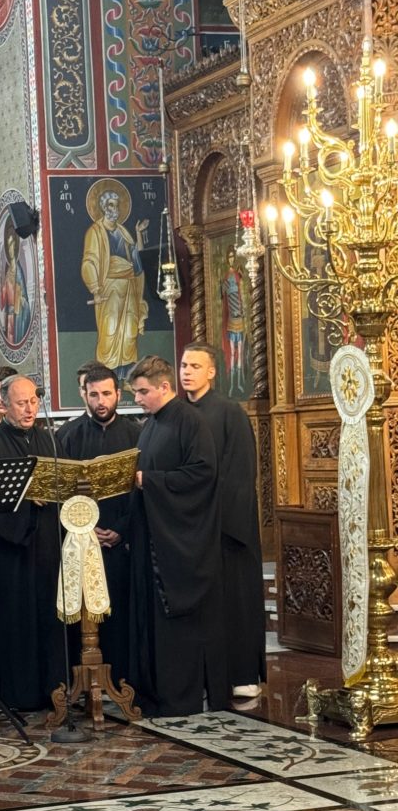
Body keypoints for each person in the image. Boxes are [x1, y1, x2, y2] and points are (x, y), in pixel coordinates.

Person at [128, 355, 228, 716]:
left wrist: (150, 481)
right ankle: (156, 693)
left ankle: (180, 697)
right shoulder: (151, 425)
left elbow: (202, 473)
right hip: (154, 536)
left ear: (164, 387)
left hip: (180, 544)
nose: (137, 398)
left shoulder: (189, 421)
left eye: (143, 391)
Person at [180, 342, 266, 698]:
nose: (187, 372)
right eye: (184, 366)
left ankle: (243, 674)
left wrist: (220, 524)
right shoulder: (180, 414)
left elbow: (240, 474)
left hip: (228, 531)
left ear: (212, 372)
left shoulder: (230, 413)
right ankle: (207, 677)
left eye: (195, 366)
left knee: (236, 603)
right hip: (191, 530)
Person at [0, 374, 65, 711]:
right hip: (12, 548)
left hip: (49, 543)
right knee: (16, 620)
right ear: (4, 404)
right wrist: (26, 498)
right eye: (21, 403)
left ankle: (55, 690)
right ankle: (20, 695)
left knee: (50, 616)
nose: (29, 409)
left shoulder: (50, 440)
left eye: (34, 401)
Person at [58, 365, 140, 682]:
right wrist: (85, 528)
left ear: (118, 394)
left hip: (122, 541)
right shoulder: (67, 435)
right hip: (80, 542)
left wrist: (121, 529)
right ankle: (85, 680)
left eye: (107, 393)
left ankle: (121, 679)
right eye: (94, 394)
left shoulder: (136, 434)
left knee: (122, 613)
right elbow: (61, 492)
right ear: (84, 395)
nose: (101, 401)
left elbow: (139, 491)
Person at [81, 189, 148, 381]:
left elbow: (136, 259)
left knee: (129, 333)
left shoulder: (123, 231)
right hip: (109, 289)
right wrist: (95, 289)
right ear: (103, 207)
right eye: (110, 205)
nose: (114, 209)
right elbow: (89, 261)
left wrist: (138, 234)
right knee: (109, 333)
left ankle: (127, 378)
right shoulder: (95, 232)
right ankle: (107, 378)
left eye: (117, 205)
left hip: (129, 287)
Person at [221, 245, 248, 396]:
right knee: (232, 354)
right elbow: (224, 297)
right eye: (229, 257)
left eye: (233, 256)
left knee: (240, 353)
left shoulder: (239, 276)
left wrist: (242, 311)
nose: (231, 259)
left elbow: (242, 296)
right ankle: (231, 386)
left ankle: (239, 384)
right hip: (232, 319)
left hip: (240, 319)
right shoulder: (226, 277)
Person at [55, 360, 105, 443]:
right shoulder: (65, 433)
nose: (91, 392)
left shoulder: (128, 430)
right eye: (85, 388)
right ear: (80, 391)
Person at [0, 222, 31, 346]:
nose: (11, 248)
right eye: (9, 245)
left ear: (16, 246)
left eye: (12, 244)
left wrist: (21, 299)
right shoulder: (8, 272)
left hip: (18, 317)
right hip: (9, 319)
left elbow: (24, 298)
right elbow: (3, 300)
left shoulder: (19, 271)